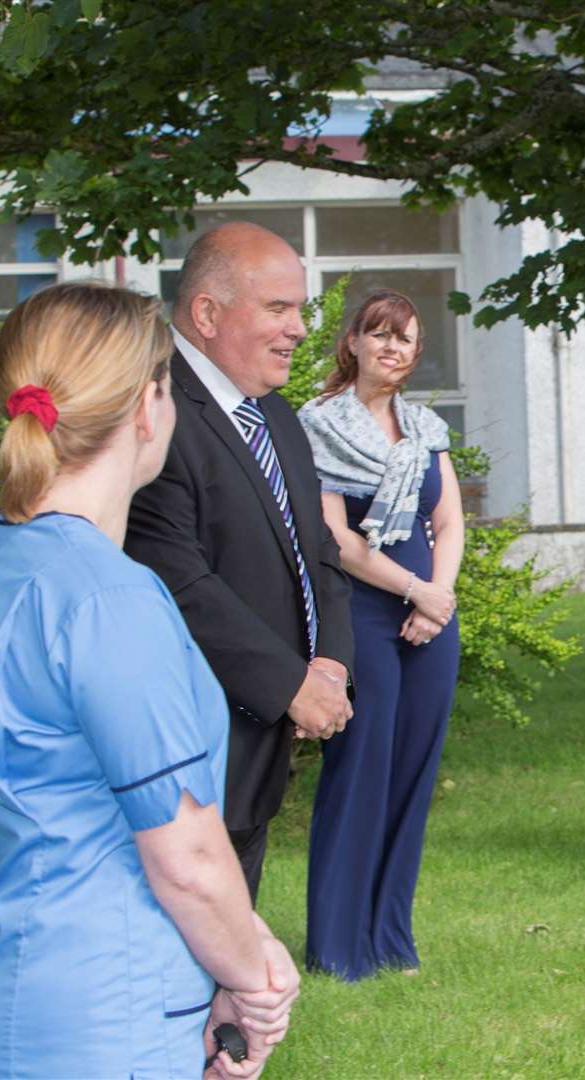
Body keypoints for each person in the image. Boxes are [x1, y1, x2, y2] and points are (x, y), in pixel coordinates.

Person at [0, 282, 300, 1079]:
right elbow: (186, 857)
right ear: (146, 407)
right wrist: (254, 978)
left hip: (1, 998)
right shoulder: (108, 595)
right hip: (104, 1015)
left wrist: (244, 950)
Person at [126, 222, 355, 901]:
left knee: (225, 967)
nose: (297, 329)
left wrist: (331, 667)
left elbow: (320, 553)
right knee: (180, 971)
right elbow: (177, 579)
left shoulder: (276, 415)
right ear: (206, 313)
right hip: (187, 750)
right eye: (278, 308)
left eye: (301, 310)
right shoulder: (152, 409)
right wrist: (290, 684)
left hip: (257, 747)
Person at [297, 289, 463, 979]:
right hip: (363, 615)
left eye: (405, 339)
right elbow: (336, 538)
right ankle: (337, 945)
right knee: (360, 769)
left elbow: (450, 522)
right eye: (380, 334)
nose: (392, 347)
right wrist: (416, 589)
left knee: (411, 775)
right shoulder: (319, 423)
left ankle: (391, 937)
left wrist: (439, 600)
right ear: (354, 343)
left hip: (428, 625)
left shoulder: (425, 428)